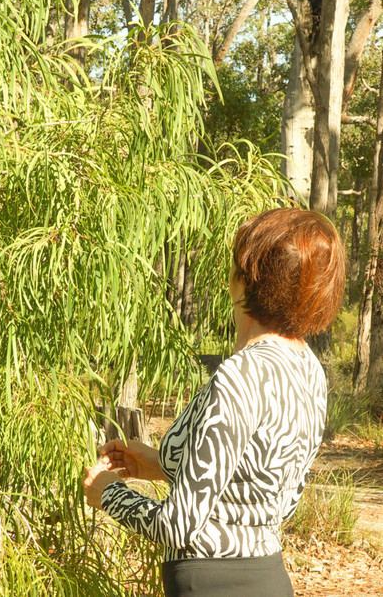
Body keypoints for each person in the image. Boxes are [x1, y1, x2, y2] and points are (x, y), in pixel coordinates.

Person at [83, 207, 345, 597]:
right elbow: (268, 498)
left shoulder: (239, 376)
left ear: (245, 279)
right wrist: (155, 464)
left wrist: (106, 492)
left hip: (210, 581)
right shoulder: (308, 370)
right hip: (269, 577)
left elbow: (178, 526)